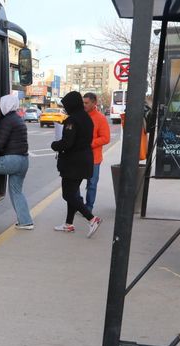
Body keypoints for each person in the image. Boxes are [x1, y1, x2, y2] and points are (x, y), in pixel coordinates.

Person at [51, 91, 102, 237]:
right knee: (72, 193)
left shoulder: (72, 120)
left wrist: (55, 145)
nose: (65, 108)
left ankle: (92, 219)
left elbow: (67, 143)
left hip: (73, 163)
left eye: (66, 105)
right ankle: (68, 224)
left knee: (68, 194)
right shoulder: (86, 118)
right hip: (84, 161)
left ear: (71, 104)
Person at [0, 94, 33, 229]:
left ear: (5, 105)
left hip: (12, 160)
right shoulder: (18, 119)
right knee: (16, 191)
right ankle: (26, 222)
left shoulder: (7, 120)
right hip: (23, 161)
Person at [82, 92, 111, 211]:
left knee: (91, 184)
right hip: (79, 156)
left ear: (94, 103)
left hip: (94, 158)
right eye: (83, 102)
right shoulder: (81, 116)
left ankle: (88, 207)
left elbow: (106, 138)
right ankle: (79, 204)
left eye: (86, 103)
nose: (84, 105)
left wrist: (90, 144)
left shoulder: (100, 118)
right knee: (74, 183)